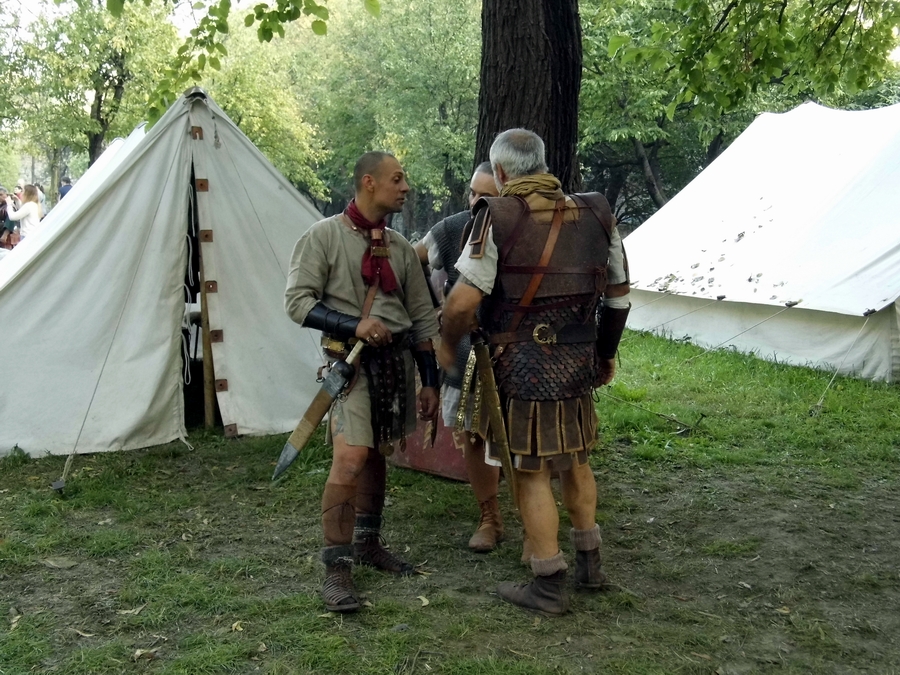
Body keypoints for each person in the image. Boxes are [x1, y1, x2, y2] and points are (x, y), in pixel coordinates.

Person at [438, 129, 631, 615]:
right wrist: (605, 355)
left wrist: (446, 342)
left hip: (521, 366)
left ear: (500, 172)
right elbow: (618, 298)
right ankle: (590, 565)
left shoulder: (496, 214)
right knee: (576, 461)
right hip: (578, 363)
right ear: (543, 164)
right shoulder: (597, 212)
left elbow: (460, 303)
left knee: (530, 471)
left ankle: (547, 584)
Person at [285, 151, 441, 614]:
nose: (406, 187)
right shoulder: (323, 236)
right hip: (350, 368)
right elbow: (297, 303)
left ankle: (368, 544)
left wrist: (430, 382)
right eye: (397, 179)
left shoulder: (401, 247)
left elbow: (422, 319)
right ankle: (336, 568)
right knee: (351, 457)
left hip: (396, 367)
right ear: (369, 182)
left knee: (376, 453)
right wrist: (353, 325)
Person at [413, 162, 505, 552]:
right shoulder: (453, 229)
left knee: (528, 438)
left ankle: (539, 522)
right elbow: (411, 260)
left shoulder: (527, 232)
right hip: (469, 352)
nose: (475, 202)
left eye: (488, 196)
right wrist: (433, 307)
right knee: (473, 435)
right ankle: (490, 516)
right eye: (472, 192)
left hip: (521, 354)